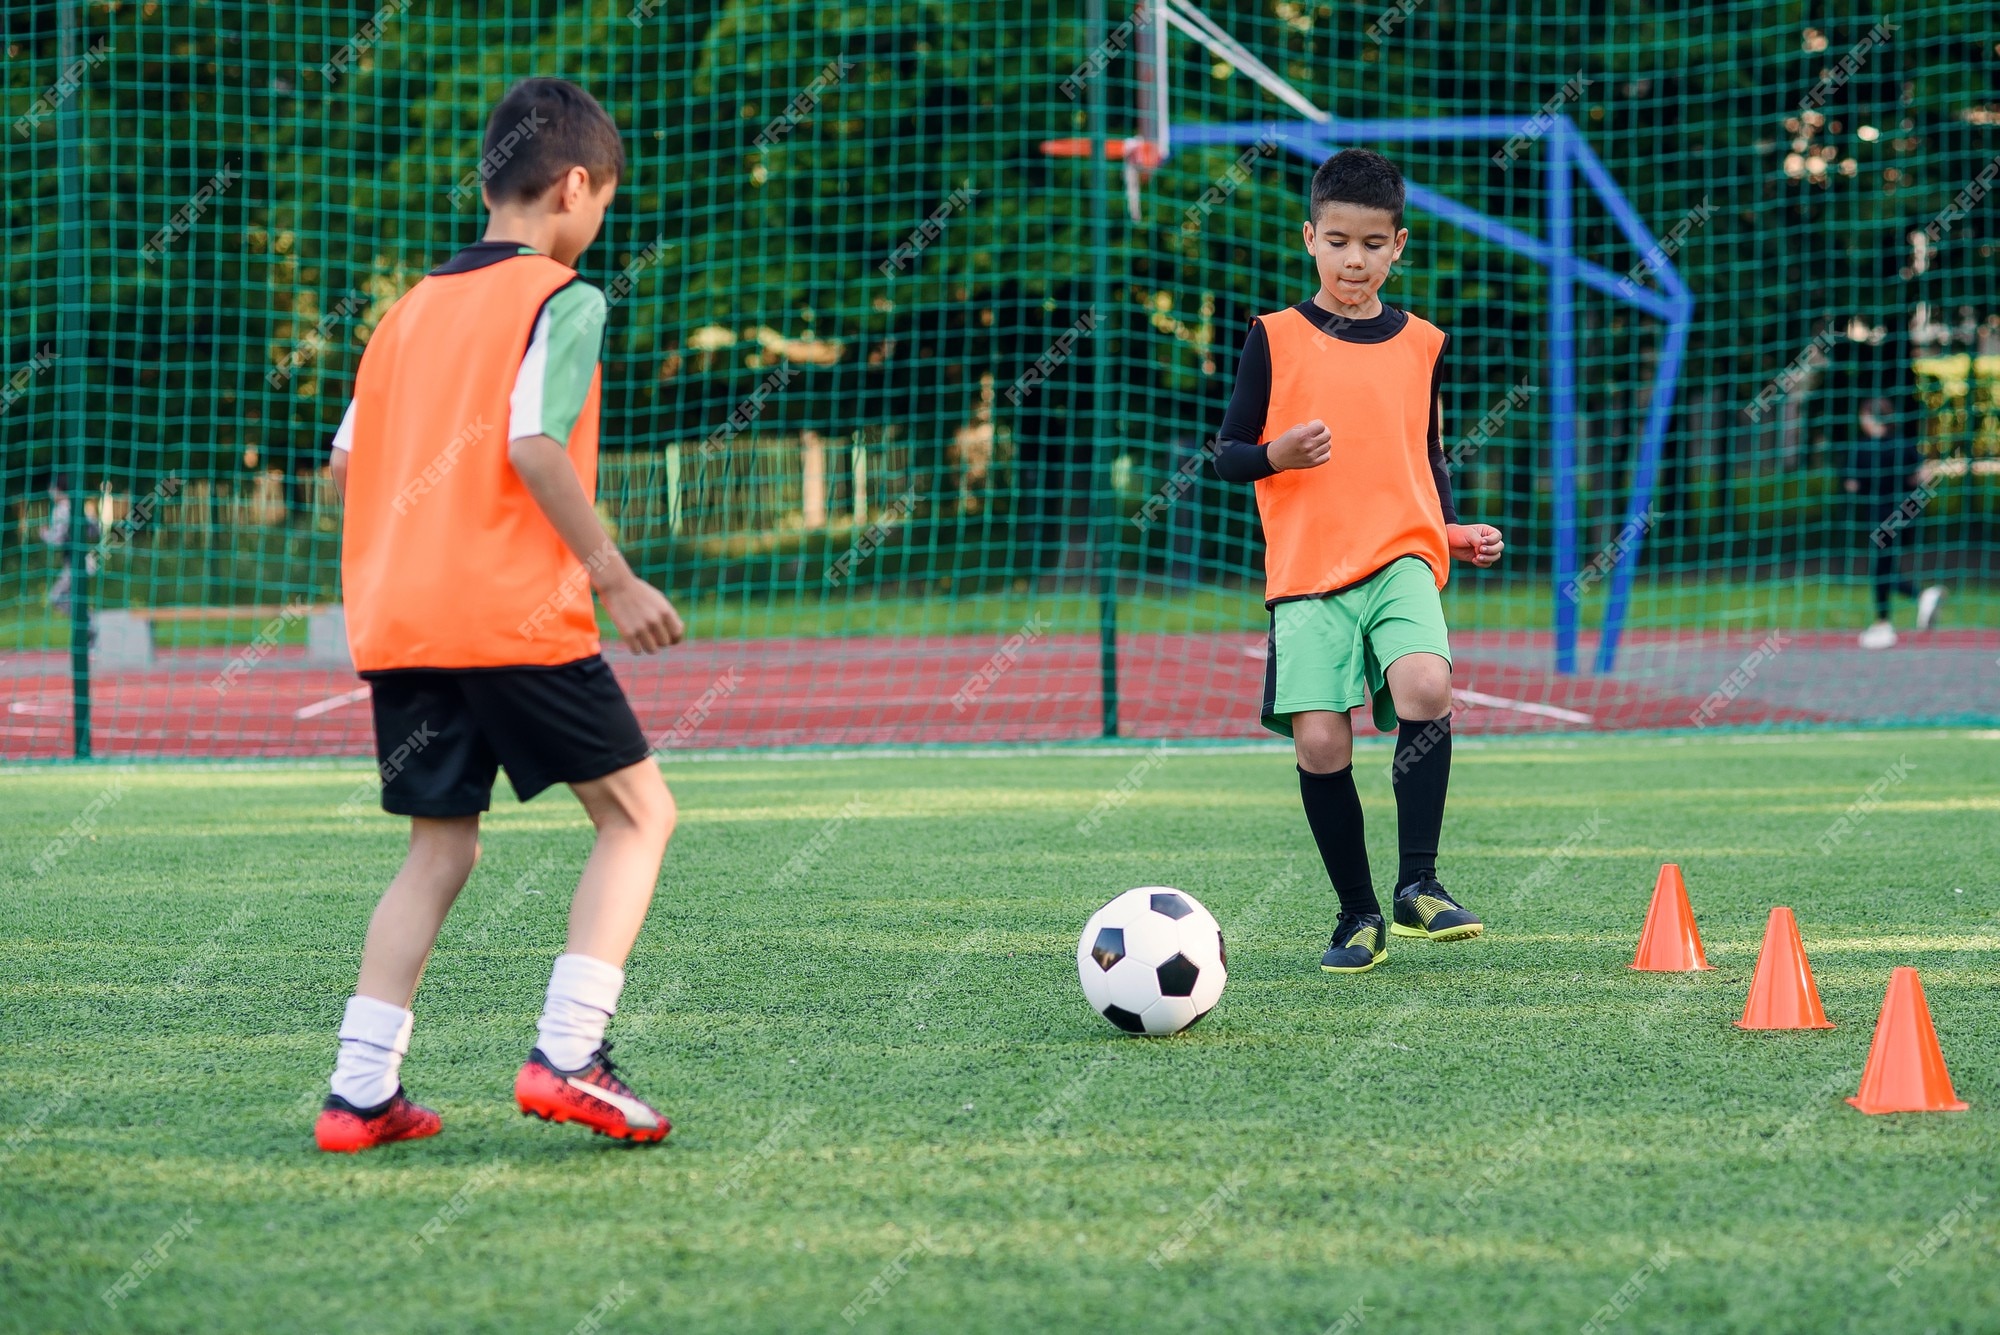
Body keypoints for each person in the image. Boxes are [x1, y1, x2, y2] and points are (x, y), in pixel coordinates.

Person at [316, 77, 686, 1152]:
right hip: (511, 616)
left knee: (439, 851)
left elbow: (342, 469)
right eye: (605, 198)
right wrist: (613, 576)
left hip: (402, 625)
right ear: (574, 185)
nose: (600, 218)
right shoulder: (560, 297)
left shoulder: (407, 313)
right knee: (637, 817)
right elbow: (531, 447)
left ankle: (358, 1094)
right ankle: (568, 1055)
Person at [1212, 148, 1504, 975]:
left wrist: (1451, 529)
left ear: (1398, 247)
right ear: (1310, 238)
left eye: (1373, 244)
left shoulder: (1423, 344)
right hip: (1307, 574)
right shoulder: (1273, 338)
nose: (1354, 260)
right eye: (1337, 240)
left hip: (1400, 558)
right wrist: (1277, 453)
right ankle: (1359, 913)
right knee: (1320, 745)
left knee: (1427, 685)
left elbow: (1424, 458)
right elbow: (1228, 455)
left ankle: (1420, 882)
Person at [1844, 394, 1943, 648]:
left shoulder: (1863, 447)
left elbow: (1852, 484)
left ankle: (1918, 597)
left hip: (1879, 515)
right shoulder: (1902, 445)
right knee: (1883, 566)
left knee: (1881, 569)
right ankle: (1884, 622)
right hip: (1903, 514)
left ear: (1869, 417)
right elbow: (1924, 474)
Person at [39, 473, 100, 615]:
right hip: (88, 560)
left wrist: (44, 533)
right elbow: (95, 531)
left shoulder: (61, 509)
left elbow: (56, 539)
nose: (50, 493)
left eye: (51, 489)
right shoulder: (79, 506)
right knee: (74, 598)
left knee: (57, 598)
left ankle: (89, 623)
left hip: (75, 563)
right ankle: (88, 624)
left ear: (58, 489)